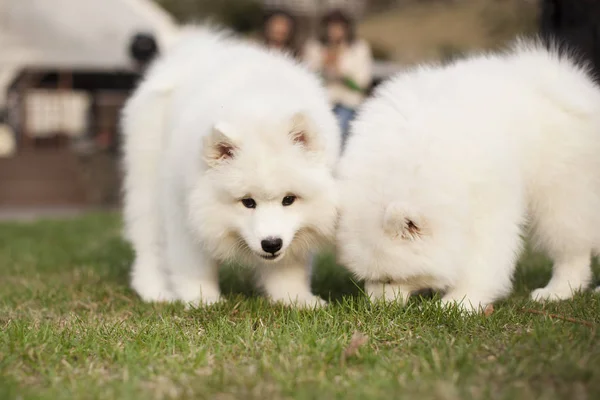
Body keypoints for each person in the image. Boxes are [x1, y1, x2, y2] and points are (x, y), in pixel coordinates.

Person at [303, 9, 372, 144]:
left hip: (349, 103)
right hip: (322, 102)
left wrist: (341, 74)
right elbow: (307, 78)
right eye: (331, 27)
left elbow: (362, 84)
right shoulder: (315, 47)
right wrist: (323, 67)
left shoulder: (358, 48)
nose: (335, 31)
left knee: (340, 127)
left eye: (339, 27)